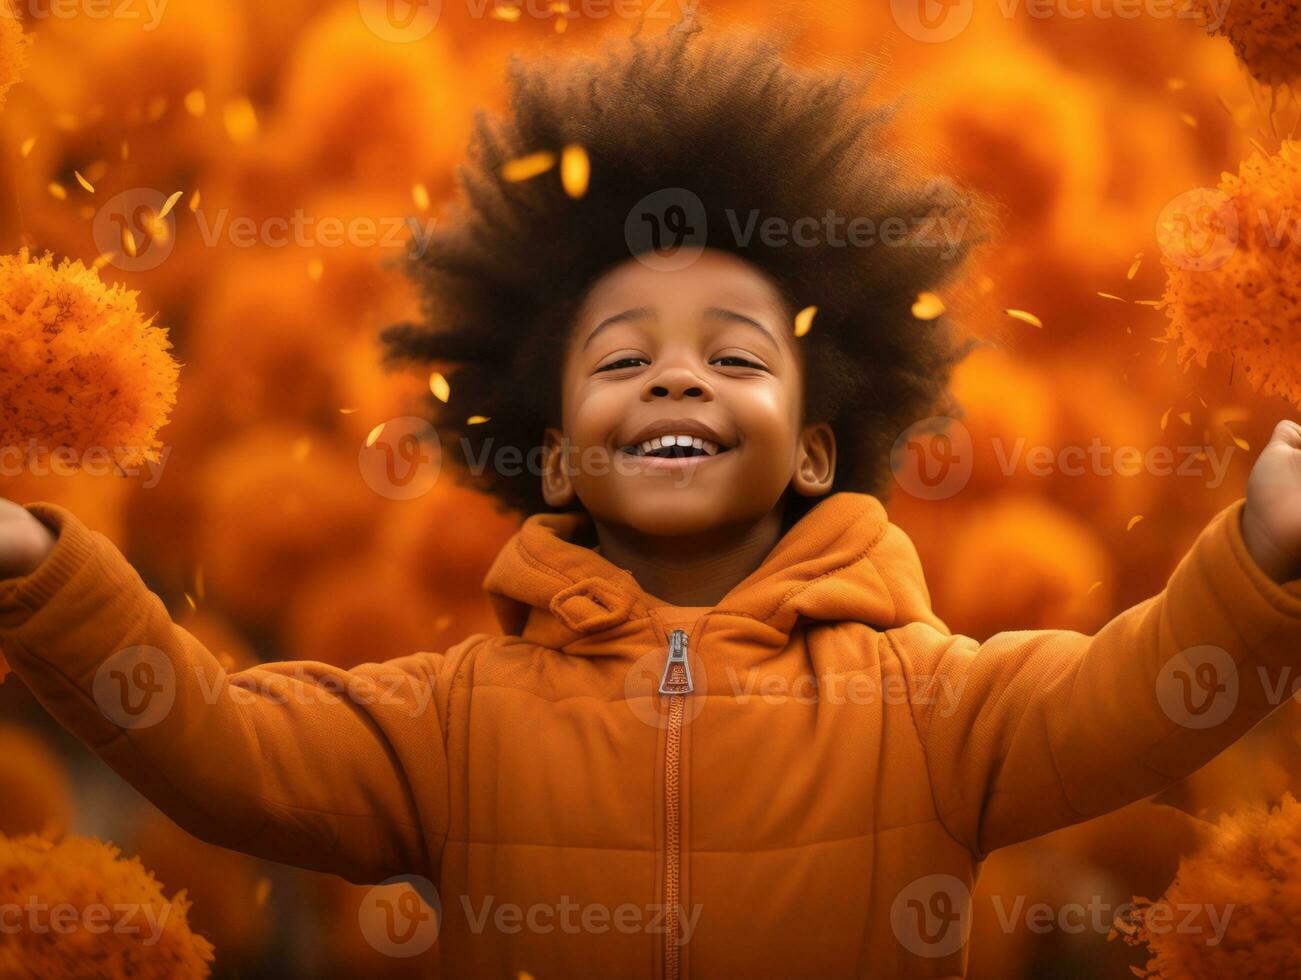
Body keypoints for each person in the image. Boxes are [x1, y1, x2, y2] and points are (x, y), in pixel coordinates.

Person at [2, 15, 1300, 979]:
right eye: (622, 361)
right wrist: (38, 573)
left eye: (733, 358)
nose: (676, 380)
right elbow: (226, 750)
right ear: (554, 457)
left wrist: (1259, 558)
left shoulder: (929, 708)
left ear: (810, 453)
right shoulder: (456, 718)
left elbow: (1133, 696)